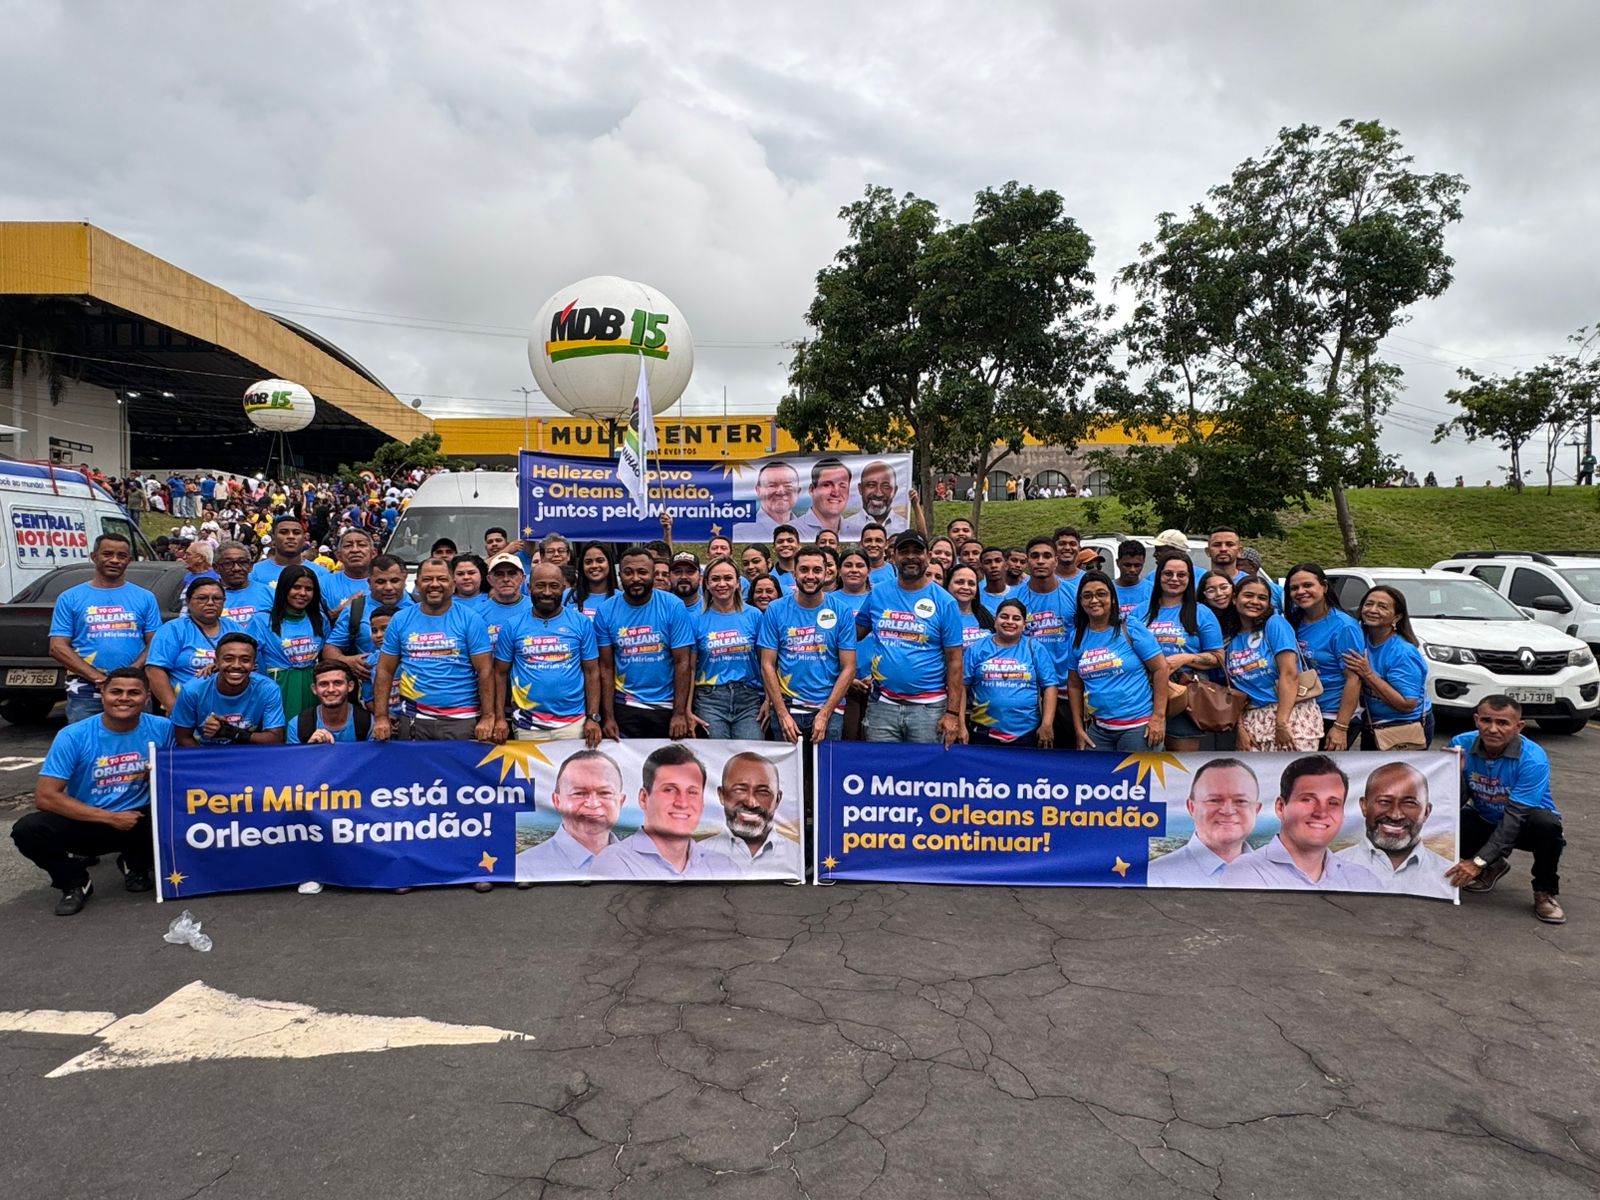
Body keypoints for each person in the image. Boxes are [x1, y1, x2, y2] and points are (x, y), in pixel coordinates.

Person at [11, 668, 175, 915]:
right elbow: (46, 797)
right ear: (102, 693)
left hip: (139, 820)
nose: (124, 698)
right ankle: (74, 882)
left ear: (147, 697)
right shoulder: (73, 736)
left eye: (133, 693)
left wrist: (159, 772)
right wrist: (111, 818)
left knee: (175, 816)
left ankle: (134, 863)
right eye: (116, 692)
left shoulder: (164, 728)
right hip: (89, 819)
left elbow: (182, 774)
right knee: (28, 829)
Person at [1445, 696, 1567, 923]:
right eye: (1486, 720)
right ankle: (1494, 865)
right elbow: (1453, 801)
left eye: (1502, 723)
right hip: (1486, 819)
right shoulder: (1460, 744)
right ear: (1476, 720)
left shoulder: (1533, 759)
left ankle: (1545, 892)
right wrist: (1456, 773)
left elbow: (1515, 817)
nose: (1492, 729)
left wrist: (1477, 861)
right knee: (1456, 819)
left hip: (1524, 825)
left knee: (1547, 825)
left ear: (1518, 727)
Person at [858, 531, 964, 746]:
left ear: (929, 556)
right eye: (904, 551)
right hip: (882, 705)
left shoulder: (945, 602)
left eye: (917, 551)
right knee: (881, 766)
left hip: (929, 709)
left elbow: (955, 660)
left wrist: (952, 713)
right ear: (893, 556)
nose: (910, 557)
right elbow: (851, 635)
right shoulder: (878, 593)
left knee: (925, 768)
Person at [372, 558, 495, 742]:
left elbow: (485, 670)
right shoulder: (400, 620)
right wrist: (381, 716)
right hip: (414, 718)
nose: (435, 584)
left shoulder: (471, 619)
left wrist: (488, 716)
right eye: (427, 579)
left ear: (453, 584)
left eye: (442, 579)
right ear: (417, 584)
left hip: (462, 719)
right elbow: (385, 670)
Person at [47, 533, 162, 724]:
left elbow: (156, 642)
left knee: (137, 740)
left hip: (132, 686)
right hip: (85, 689)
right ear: (94, 557)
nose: (115, 560)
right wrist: (98, 678)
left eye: (121, 556)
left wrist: (129, 673)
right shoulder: (69, 598)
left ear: (129, 560)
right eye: (107, 554)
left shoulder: (145, 598)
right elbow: (57, 647)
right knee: (86, 740)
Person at [1221, 755, 1381, 891]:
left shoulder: (1364, 881)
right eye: (1308, 799)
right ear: (1280, 807)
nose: (1321, 813)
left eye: (1333, 803)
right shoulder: (1245, 873)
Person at [487, 562, 602, 747]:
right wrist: (500, 718)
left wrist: (593, 717)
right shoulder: (512, 625)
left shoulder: (581, 623)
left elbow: (592, 672)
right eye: (540, 585)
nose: (547, 592)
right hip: (527, 724)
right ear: (529, 587)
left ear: (563, 588)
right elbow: (500, 673)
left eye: (554, 586)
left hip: (574, 723)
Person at [595, 545, 695, 740]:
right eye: (628, 572)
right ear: (620, 575)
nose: (635, 578)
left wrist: (680, 713)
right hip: (624, 705)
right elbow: (605, 667)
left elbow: (682, 662)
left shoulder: (673, 605)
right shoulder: (605, 610)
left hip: (666, 706)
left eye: (642, 572)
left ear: (653, 574)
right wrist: (608, 717)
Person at [590, 744, 734, 879]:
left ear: (702, 802)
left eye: (692, 792)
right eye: (669, 790)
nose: (682, 803)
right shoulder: (615, 862)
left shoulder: (723, 866)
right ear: (643, 798)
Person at [759, 547, 857, 743]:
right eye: (804, 570)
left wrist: (825, 713)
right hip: (788, 710)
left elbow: (849, 667)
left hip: (829, 711)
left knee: (826, 765)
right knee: (789, 766)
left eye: (817, 570)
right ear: (794, 573)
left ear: (827, 573)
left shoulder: (842, 611)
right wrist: (782, 713)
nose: (810, 576)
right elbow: (767, 664)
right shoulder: (776, 610)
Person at [1063, 570, 1168, 752]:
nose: (1094, 600)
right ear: (1080, 601)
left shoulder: (1130, 627)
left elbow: (1161, 669)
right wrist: (1079, 729)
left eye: (1101, 594)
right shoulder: (1076, 636)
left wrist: (1158, 718)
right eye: (1087, 596)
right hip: (1099, 730)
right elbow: (1074, 685)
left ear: (1112, 598)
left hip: (1139, 727)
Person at [1225, 576, 1320, 752]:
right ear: (1234, 599)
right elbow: (1233, 690)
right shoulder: (1230, 639)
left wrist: (1281, 723)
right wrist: (1240, 729)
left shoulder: (1275, 624)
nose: (1255, 602)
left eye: (1262, 598)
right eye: (1248, 595)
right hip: (1252, 721)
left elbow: (1289, 674)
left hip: (1290, 716)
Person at [1335, 761, 1454, 899]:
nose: (1395, 815)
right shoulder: (1330, 868)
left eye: (1409, 803)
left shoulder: (1448, 874)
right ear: (1364, 806)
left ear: (1427, 812)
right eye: (1384, 802)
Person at [1144, 553, 1224, 752]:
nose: (1174, 579)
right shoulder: (1139, 612)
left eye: (1181, 575)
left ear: (1189, 579)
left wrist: (1185, 658)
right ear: (1158, 576)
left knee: (1182, 763)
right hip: (1145, 692)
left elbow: (1218, 658)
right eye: (1168, 574)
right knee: (1144, 759)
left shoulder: (1202, 612)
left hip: (1185, 692)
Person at [1148, 758, 1262, 888]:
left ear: (1256, 810)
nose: (1228, 811)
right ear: (1192, 807)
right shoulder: (1155, 875)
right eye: (1214, 800)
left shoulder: (1276, 873)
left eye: (1241, 801)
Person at [1285, 563, 1363, 750]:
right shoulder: (1293, 621)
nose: (1301, 592)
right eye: (1294, 588)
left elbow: (1354, 679)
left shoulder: (1344, 627)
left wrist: (1340, 727)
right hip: (1304, 710)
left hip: (1332, 714)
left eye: (1307, 585)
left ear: (1325, 586)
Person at [1344, 585, 1432, 750]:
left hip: (1403, 728)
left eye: (1382, 607)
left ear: (1397, 617)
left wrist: (1368, 674)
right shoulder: (1359, 639)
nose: (1373, 610)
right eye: (1369, 604)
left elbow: (1407, 704)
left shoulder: (1403, 653)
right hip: (1372, 724)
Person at [514, 749, 625, 878]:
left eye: (605, 793)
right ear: (557, 801)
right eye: (579, 793)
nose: (593, 803)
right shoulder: (523, 868)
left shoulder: (640, 863)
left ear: (621, 801)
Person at [962, 598, 1057, 747]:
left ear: (1024, 625)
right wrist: (960, 724)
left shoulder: (1035, 648)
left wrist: (1047, 724)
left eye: (1016, 618)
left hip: (1027, 734)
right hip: (983, 732)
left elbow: (1050, 686)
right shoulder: (977, 649)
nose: (1010, 622)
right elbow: (962, 686)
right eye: (1004, 617)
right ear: (995, 621)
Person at [691, 557, 765, 740]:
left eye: (728, 578)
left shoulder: (754, 615)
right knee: (715, 755)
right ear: (706, 584)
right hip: (709, 700)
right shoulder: (695, 619)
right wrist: (686, 710)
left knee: (751, 753)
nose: (722, 584)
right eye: (715, 579)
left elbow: (767, 663)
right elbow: (689, 668)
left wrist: (769, 701)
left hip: (749, 699)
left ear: (738, 583)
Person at [145, 578, 244, 712]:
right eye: (202, 598)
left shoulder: (235, 628)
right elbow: (154, 671)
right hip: (187, 707)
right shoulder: (173, 630)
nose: (210, 603)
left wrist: (221, 665)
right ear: (188, 601)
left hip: (232, 707)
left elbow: (250, 666)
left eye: (217, 598)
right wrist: (174, 709)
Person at [171, 633, 287, 747]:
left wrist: (229, 731)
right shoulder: (193, 690)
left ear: (253, 664)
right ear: (216, 662)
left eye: (245, 660)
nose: (236, 665)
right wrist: (206, 759)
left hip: (251, 753)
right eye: (228, 659)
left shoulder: (268, 689)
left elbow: (276, 739)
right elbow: (183, 738)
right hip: (207, 752)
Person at [246, 564, 328, 718]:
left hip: (311, 686)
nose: (302, 593)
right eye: (296, 587)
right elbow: (246, 655)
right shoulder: (262, 620)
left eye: (308, 589)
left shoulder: (320, 619)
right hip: (276, 688)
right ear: (284, 588)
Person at [704, 751, 791, 874]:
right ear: (722, 795)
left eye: (763, 792)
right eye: (740, 790)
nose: (751, 803)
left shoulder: (797, 857)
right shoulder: (697, 855)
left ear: (778, 799)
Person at [287, 660, 373, 744]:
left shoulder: (368, 723)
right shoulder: (298, 725)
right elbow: (294, 754)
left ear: (350, 686)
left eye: (337, 683)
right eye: (324, 684)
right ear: (314, 689)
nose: (331, 690)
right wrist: (310, 748)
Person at [249, 514, 330, 591]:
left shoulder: (321, 574)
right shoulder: (255, 572)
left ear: (304, 539)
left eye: (296, 533)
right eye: (283, 532)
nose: (291, 536)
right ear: (273, 538)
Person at [215, 540, 276, 626]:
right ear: (216, 568)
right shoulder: (208, 598)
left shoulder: (270, 593)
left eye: (242, 562)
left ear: (250, 566)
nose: (236, 568)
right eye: (228, 563)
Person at [736, 460, 802, 539]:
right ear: (758, 490)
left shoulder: (808, 531)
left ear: (798, 491)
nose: (780, 491)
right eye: (772, 485)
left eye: (788, 486)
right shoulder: (739, 533)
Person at [321, 528, 377, 615]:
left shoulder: (386, 584)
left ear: (373, 553)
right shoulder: (323, 583)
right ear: (339, 555)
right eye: (348, 546)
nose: (355, 550)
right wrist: (344, 610)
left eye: (361, 545)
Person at [794, 456, 852, 539]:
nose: (836, 493)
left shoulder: (858, 531)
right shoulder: (793, 531)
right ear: (812, 490)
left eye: (842, 486)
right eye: (827, 485)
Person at [845, 460, 908, 536]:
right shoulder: (846, 526)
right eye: (871, 485)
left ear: (894, 491)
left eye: (886, 486)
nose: (878, 494)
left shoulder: (904, 526)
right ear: (860, 489)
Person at [946, 565, 995, 647]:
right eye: (960, 582)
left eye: (971, 584)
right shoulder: (939, 616)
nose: (966, 587)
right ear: (947, 585)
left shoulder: (990, 613)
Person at [570, 541, 617, 620]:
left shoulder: (622, 598)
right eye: (588, 562)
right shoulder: (568, 596)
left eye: (600, 561)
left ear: (609, 563)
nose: (594, 566)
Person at [1113, 541, 1153, 618]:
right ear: (1118, 563)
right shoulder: (1108, 590)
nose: (1132, 570)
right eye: (1127, 565)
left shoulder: (1152, 590)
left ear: (1143, 563)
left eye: (1137, 565)